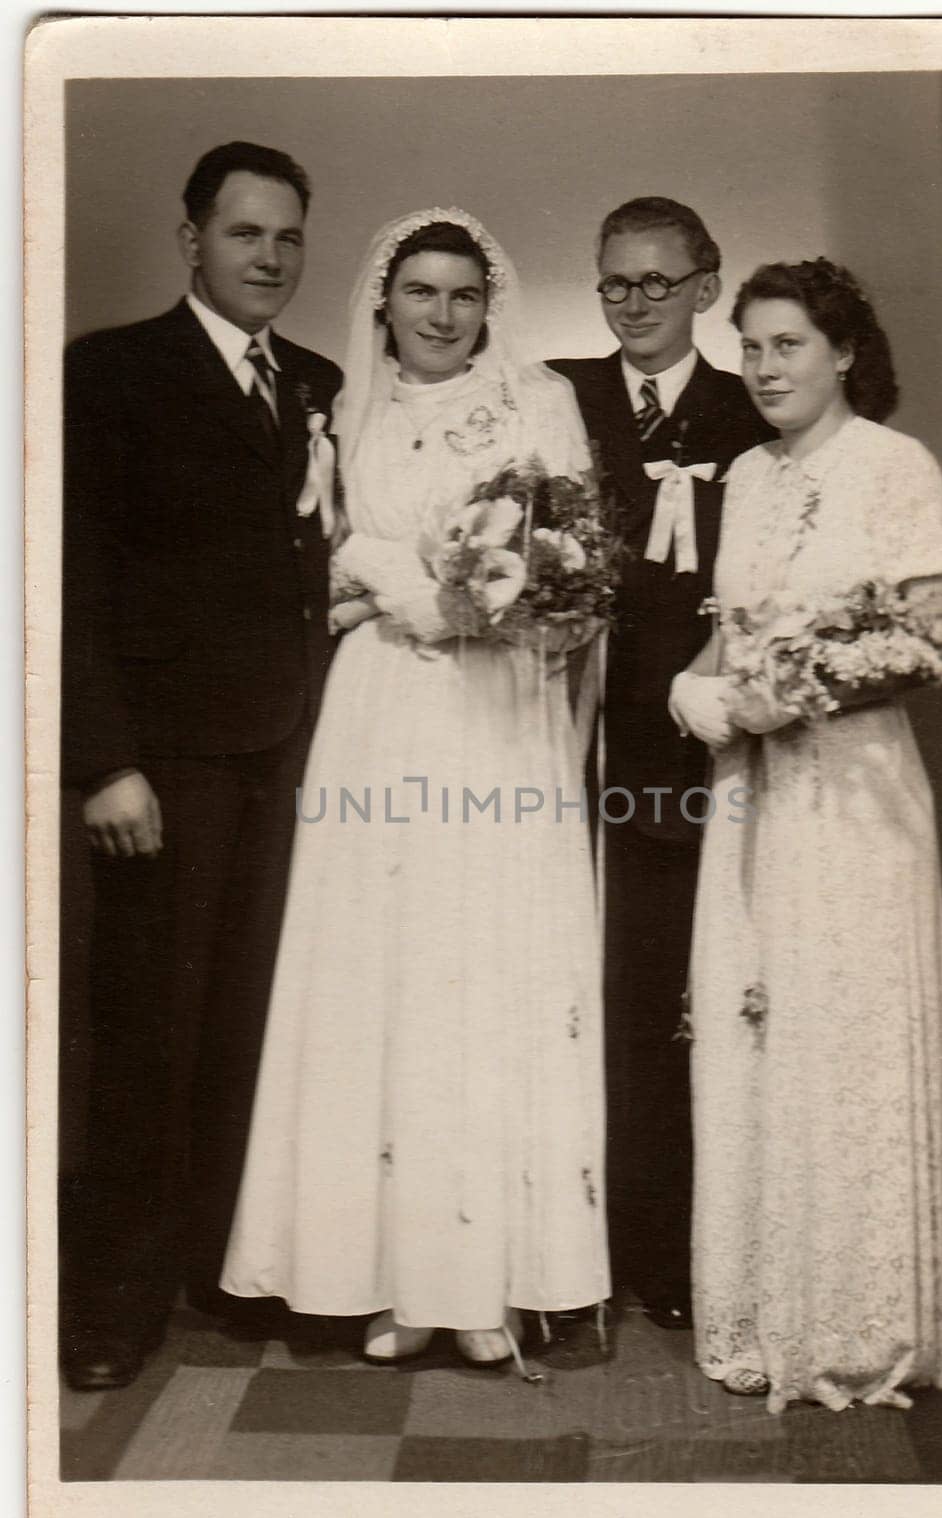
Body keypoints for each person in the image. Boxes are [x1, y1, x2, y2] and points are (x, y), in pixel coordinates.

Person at [221, 209, 610, 1368]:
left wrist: (485, 597)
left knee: (481, 970)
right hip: (381, 713)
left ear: (490, 305)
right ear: (384, 298)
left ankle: (484, 1279)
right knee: (379, 978)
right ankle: (383, 1273)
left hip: (495, 714)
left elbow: (576, 568)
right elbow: (321, 554)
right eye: (420, 293)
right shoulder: (337, 407)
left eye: (463, 296)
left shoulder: (540, 407)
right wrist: (394, 584)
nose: (442, 316)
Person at [61, 142, 342, 1390]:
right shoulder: (111, 372)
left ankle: (221, 1271)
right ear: (191, 240)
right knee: (145, 1034)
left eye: (287, 237)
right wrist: (104, 762)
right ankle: (114, 1300)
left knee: (248, 1029)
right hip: (165, 766)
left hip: (289, 759)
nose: (270, 258)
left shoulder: (325, 380)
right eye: (245, 234)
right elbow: (69, 579)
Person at [671, 258, 942, 1412]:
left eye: (787, 345)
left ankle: (864, 1323)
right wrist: (697, 692)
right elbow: (727, 639)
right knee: (759, 1030)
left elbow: (933, 642)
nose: (764, 367)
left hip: (855, 801)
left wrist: (793, 696)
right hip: (754, 801)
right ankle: (767, 1308)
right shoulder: (742, 476)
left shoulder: (896, 467)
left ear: (844, 352)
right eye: (749, 347)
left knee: (845, 1031)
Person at [549, 198, 773, 1326]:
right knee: (556, 989)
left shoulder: (753, 407)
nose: (634, 303)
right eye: (614, 283)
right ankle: (554, 1242)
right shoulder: (557, 396)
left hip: (676, 753)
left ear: (706, 284)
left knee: (659, 996)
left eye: (656, 281)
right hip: (548, 742)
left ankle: (664, 1245)